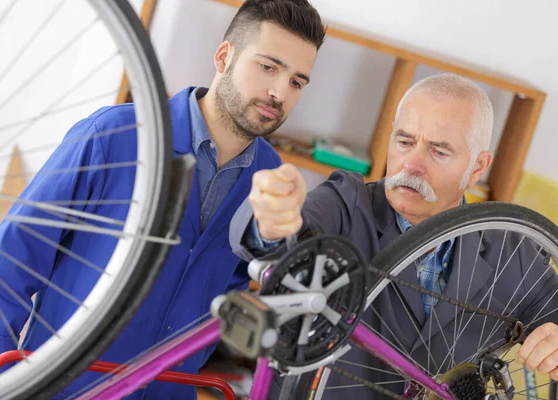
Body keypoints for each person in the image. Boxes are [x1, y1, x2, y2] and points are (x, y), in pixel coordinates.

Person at [0, 1, 326, 398]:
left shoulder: (271, 181)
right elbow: (16, 253)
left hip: (170, 390)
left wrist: (272, 241)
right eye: (268, 67)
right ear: (224, 57)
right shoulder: (114, 135)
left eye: (296, 82)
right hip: (65, 385)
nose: (278, 92)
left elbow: (237, 286)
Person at [230, 73, 558, 398]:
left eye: (438, 151)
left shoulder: (512, 250)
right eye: (404, 142)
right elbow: (270, 240)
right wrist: (270, 220)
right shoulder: (345, 203)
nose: (411, 165)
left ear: (477, 168)